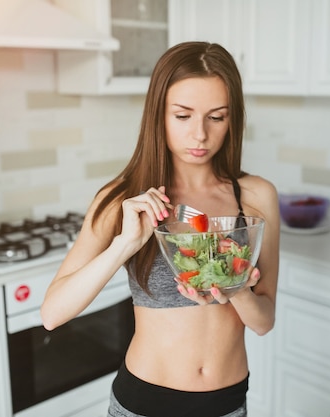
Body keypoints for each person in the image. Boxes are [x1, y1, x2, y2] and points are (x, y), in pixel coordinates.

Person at [41, 41, 280, 417]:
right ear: (159, 115)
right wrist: (124, 244)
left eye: (216, 117)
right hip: (145, 405)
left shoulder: (256, 197)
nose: (199, 135)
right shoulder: (122, 198)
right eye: (183, 116)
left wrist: (232, 289)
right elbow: (52, 313)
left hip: (229, 405)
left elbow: (264, 322)